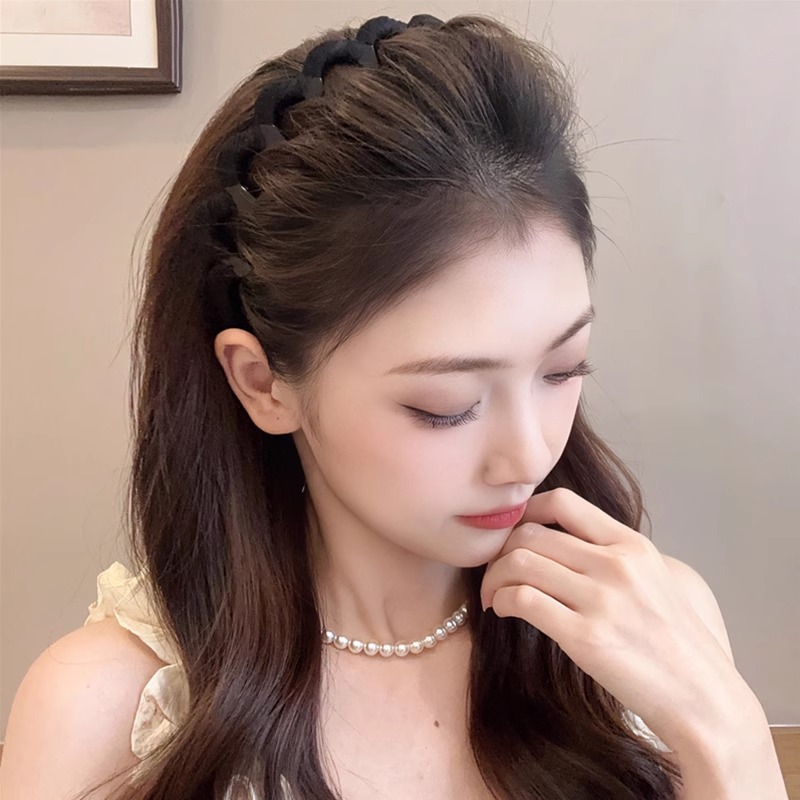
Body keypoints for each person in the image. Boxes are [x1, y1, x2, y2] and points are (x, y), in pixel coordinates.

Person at [0, 12, 788, 800]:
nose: (528, 455)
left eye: (563, 368)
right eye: (446, 406)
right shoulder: (106, 711)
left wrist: (728, 737)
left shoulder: (655, 628)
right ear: (263, 382)